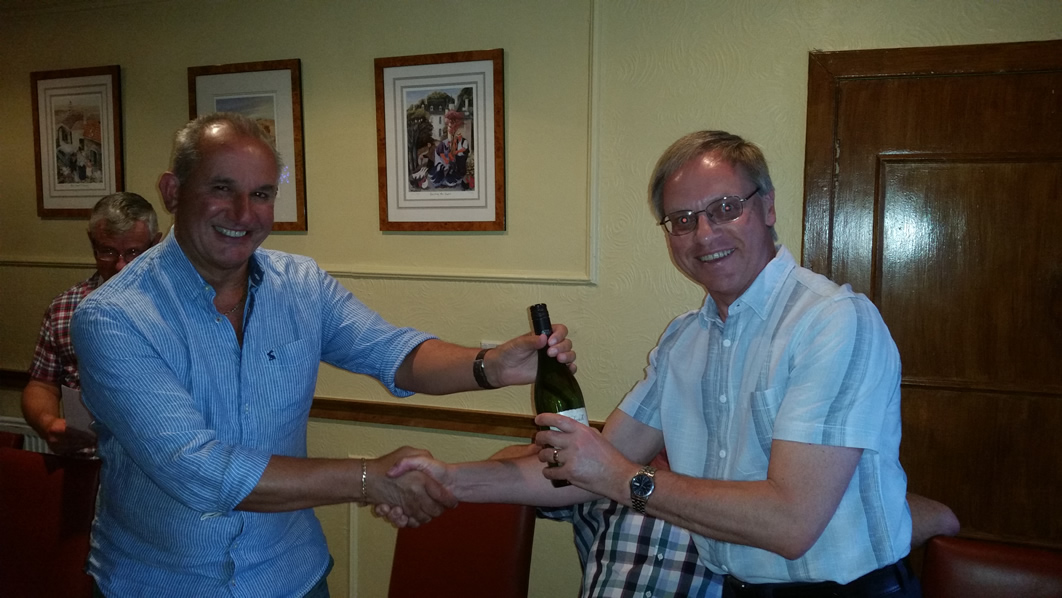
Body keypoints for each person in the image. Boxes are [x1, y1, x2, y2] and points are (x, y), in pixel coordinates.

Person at [388, 130, 922, 597]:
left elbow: (791, 522)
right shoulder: (684, 340)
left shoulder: (832, 321)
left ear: (767, 207)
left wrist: (621, 478)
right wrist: (446, 480)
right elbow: (580, 473)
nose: (704, 235)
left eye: (725, 208)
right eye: (683, 220)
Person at [69, 112, 575, 598]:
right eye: (221, 188)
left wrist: (491, 366)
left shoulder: (301, 284)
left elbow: (392, 352)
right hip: (163, 585)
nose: (243, 213)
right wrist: (368, 480)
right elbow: (198, 469)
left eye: (261, 194)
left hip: (293, 576)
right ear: (172, 191)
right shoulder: (113, 317)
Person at [21, 192, 161, 455]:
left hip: (153, 462)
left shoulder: (176, 305)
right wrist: (48, 423)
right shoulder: (64, 307)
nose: (120, 266)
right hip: (87, 459)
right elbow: (41, 385)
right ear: (92, 243)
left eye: (133, 252)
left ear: (155, 244)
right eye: (107, 251)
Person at [429, 109, 471, 189]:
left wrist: (451, 158)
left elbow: (452, 153)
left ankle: (454, 180)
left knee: (455, 169)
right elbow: (442, 154)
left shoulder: (461, 141)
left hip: (458, 159)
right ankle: (439, 181)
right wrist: (447, 160)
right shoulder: (443, 144)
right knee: (440, 169)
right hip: (440, 161)